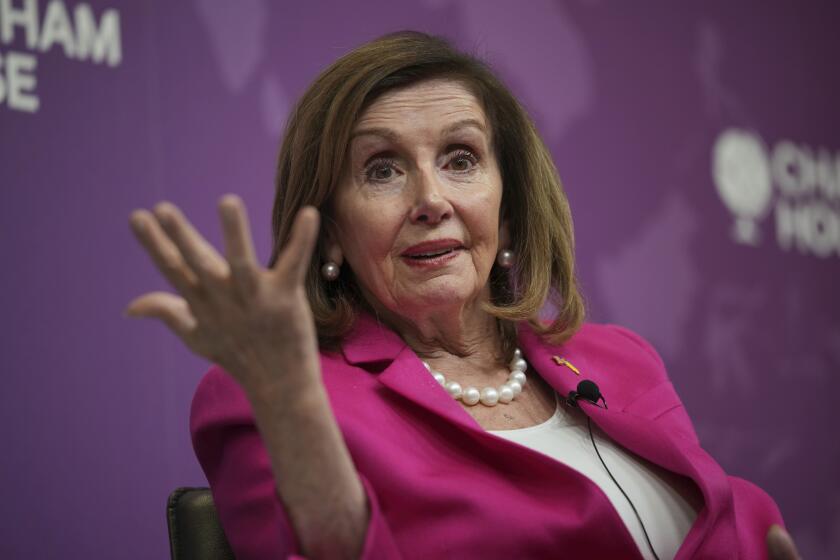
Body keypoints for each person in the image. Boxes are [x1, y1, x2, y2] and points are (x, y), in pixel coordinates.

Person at [126, 31, 801, 560]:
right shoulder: (275, 398)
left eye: (461, 159)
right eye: (382, 169)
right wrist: (288, 396)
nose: (431, 199)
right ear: (330, 232)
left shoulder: (619, 360)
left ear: (507, 211)